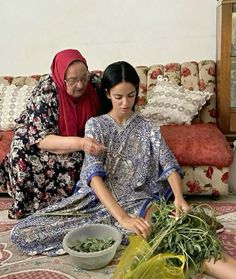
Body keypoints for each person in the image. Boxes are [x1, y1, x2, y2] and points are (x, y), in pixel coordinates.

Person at [10, 61, 236, 278]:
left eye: (131, 95)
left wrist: (179, 197)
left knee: (179, 233)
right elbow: (93, 176)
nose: (126, 103)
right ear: (107, 94)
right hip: (96, 202)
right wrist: (123, 218)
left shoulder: (148, 127)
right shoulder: (96, 125)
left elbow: (168, 164)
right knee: (24, 232)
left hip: (141, 200)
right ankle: (125, 227)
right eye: (118, 97)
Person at [0, 49, 105, 219]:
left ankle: (69, 206)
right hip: (41, 142)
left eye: (83, 77)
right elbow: (41, 138)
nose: (80, 85)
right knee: (21, 154)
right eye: (72, 80)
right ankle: (30, 208)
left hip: (76, 143)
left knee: (83, 160)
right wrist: (82, 143)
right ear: (61, 76)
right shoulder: (47, 91)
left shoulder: (94, 84)